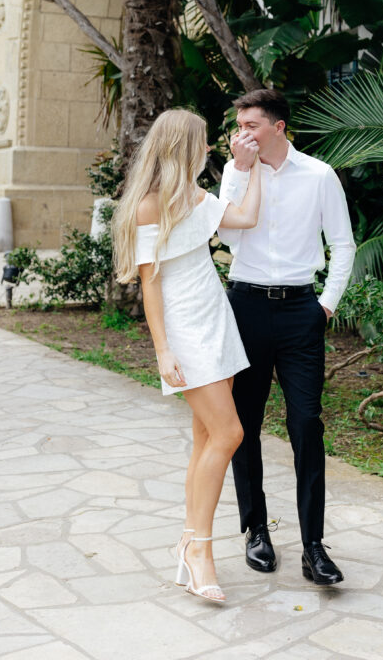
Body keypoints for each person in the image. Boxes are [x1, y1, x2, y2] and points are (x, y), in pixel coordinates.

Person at [113, 108, 261, 603]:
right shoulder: (150, 206)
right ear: (183, 148)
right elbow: (150, 285)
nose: (209, 151)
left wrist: (252, 166)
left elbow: (246, 216)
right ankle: (200, 549)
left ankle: (189, 541)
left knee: (205, 439)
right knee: (230, 433)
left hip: (215, 319)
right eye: (203, 144)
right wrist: (162, 350)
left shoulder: (196, 198)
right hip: (184, 329)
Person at [218, 88, 355, 586]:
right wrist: (239, 170)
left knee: (306, 425)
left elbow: (342, 244)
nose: (241, 135)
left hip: (301, 310)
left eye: (250, 125)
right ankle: (256, 529)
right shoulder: (236, 173)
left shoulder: (319, 175)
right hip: (246, 306)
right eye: (238, 126)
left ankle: (313, 545)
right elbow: (228, 236)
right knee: (243, 425)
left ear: (278, 127)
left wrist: (326, 306)